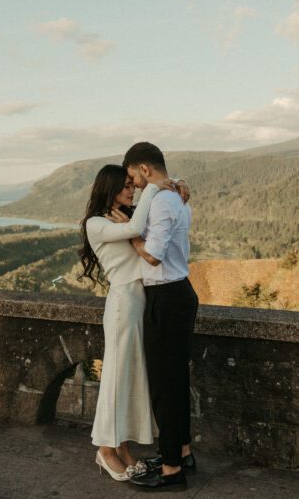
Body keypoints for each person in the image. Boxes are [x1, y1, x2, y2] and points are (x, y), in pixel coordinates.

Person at [79, 165, 164, 481]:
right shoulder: (97, 223)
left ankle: (123, 447)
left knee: (131, 378)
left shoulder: (121, 219)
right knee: (116, 378)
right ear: (110, 188)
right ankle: (105, 450)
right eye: (126, 186)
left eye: (134, 186)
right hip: (123, 306)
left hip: (137, 304)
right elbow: (137, 228)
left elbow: (140, 237)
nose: (132, 191)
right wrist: (154, 185)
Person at [123, 142, 198, 492]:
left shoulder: (164, 200)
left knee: (165, 387)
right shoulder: (176, 196)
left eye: (133, 176)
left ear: (145, 169)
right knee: (176, 382)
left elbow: (152, 256)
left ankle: (171, 469)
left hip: (166, 297)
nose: (134, 184)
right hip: (176, 294)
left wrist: (130, 235)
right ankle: (181, 452)